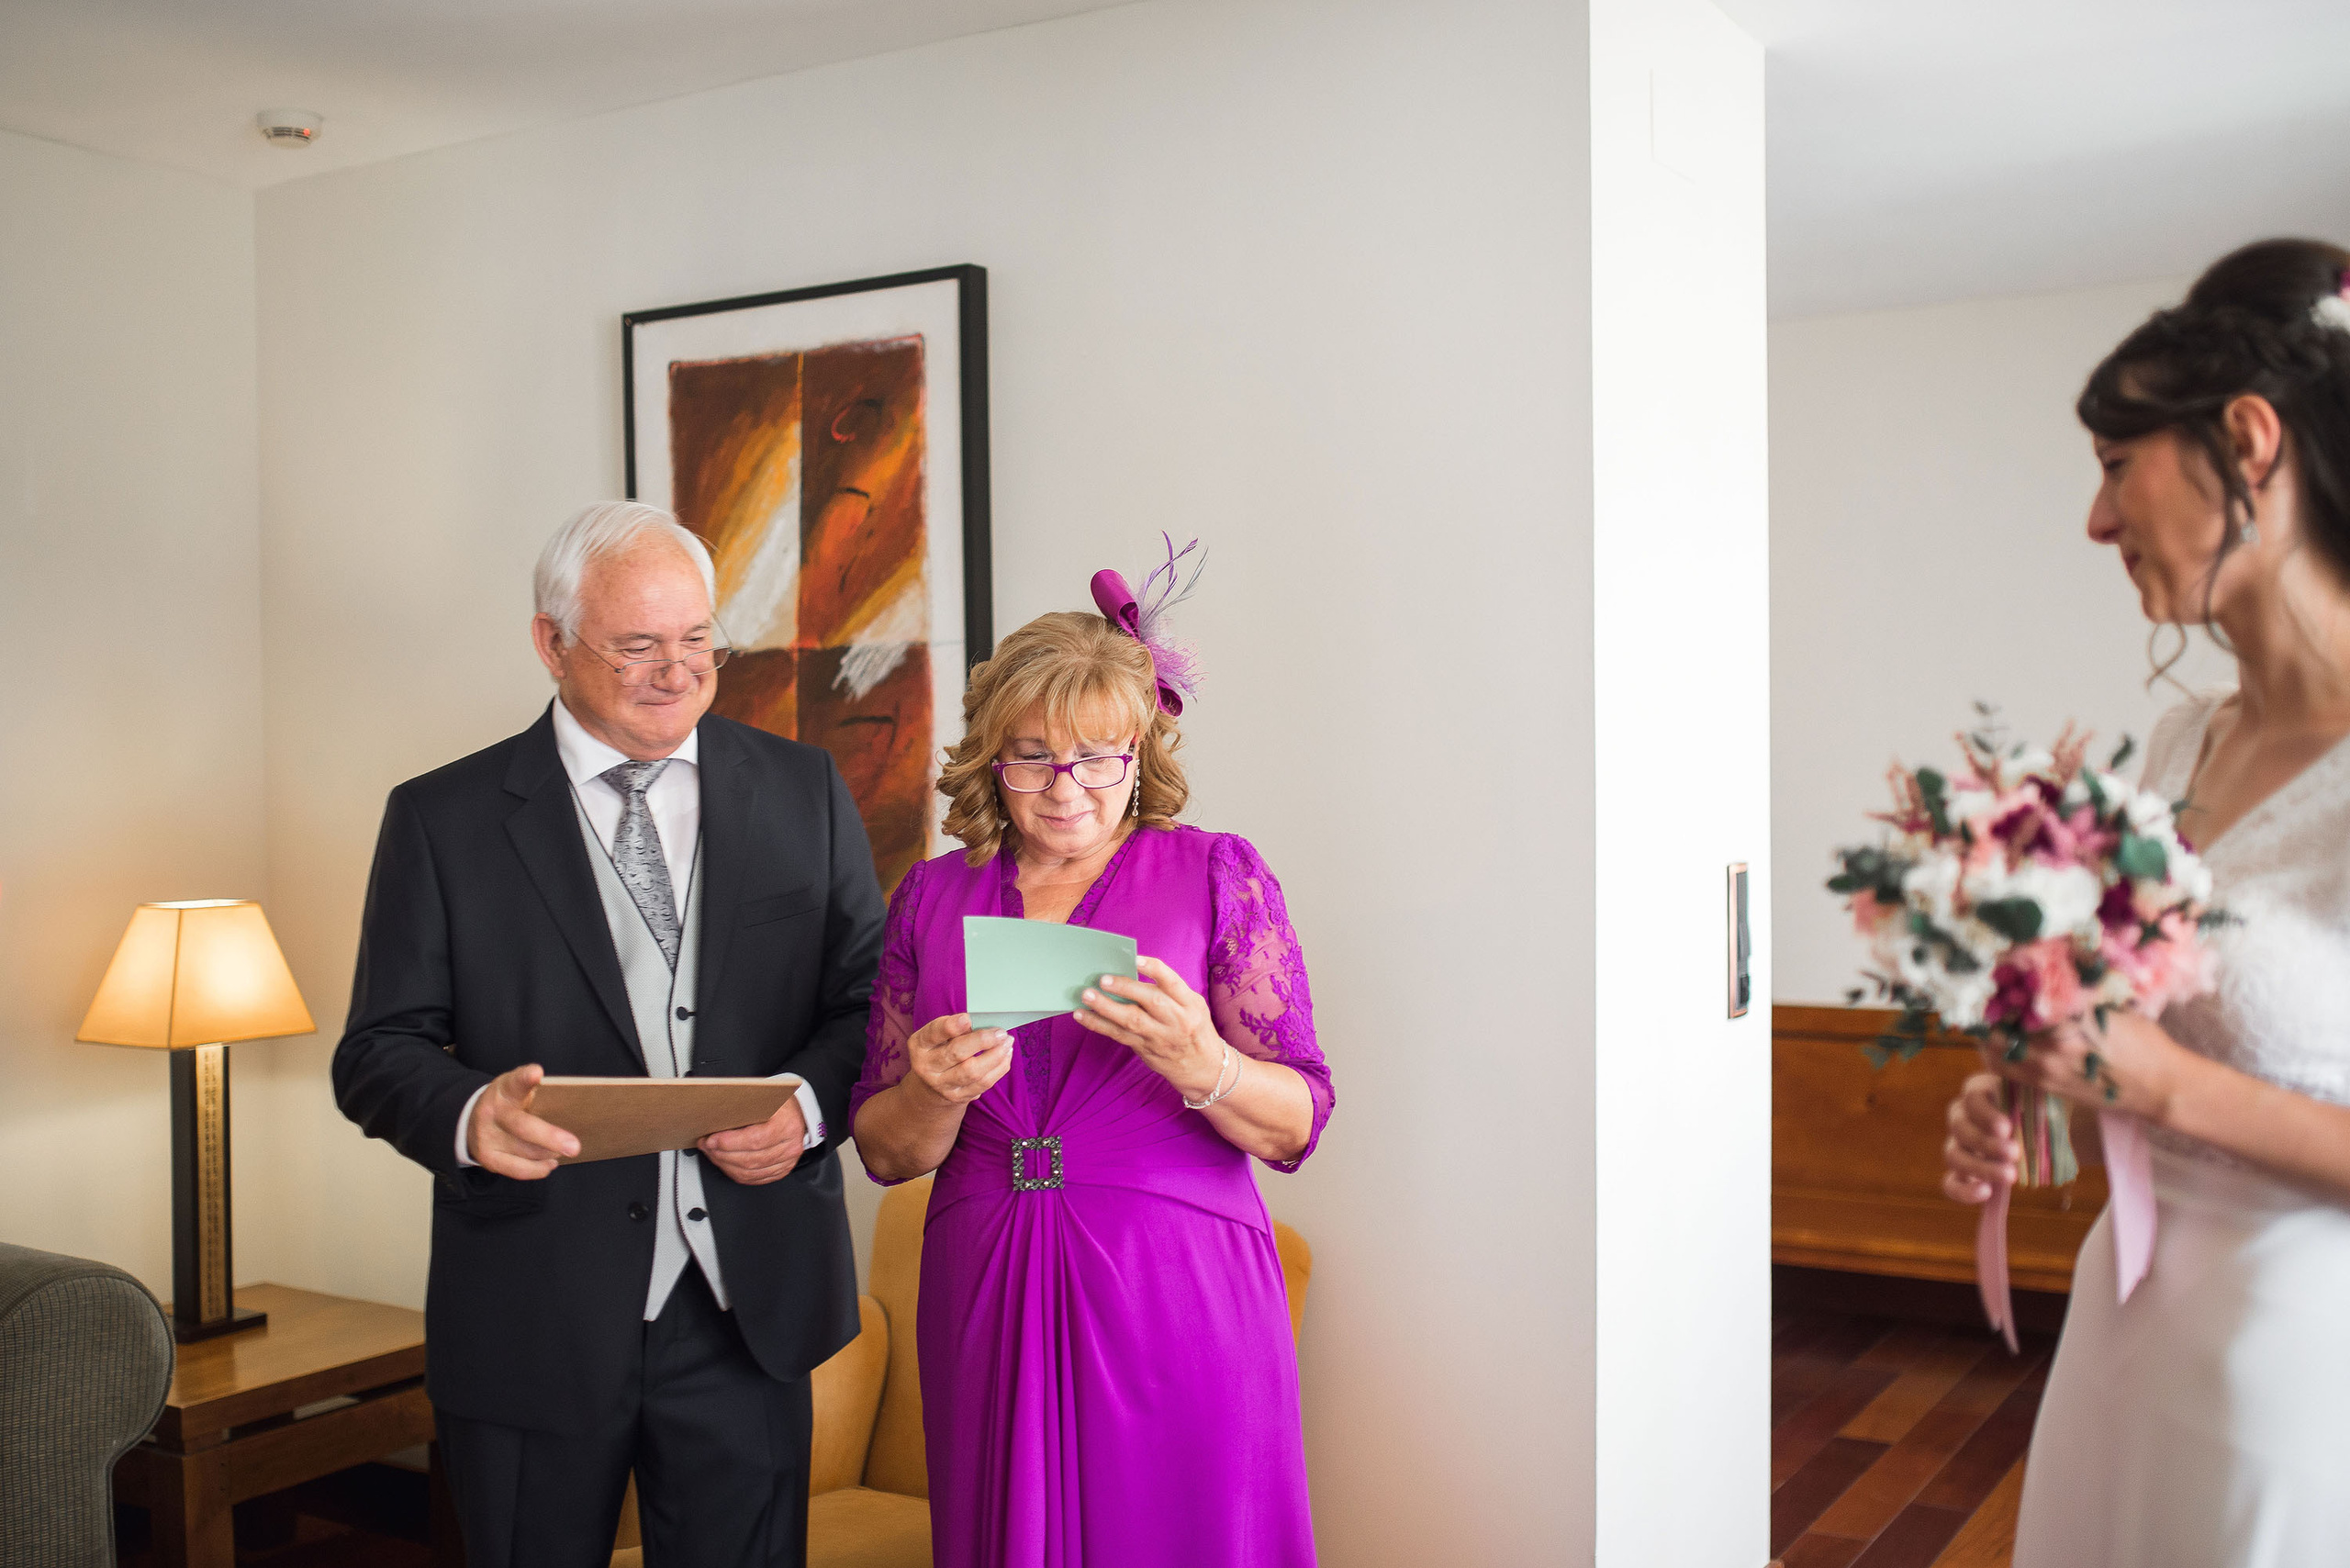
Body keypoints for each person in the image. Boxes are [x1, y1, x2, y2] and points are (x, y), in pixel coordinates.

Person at [332, 501, 886, 1568]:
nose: (675, 671)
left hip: (747, 1309)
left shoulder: (801, 789)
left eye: (696, 640)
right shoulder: (440, 820)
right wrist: (468, 1111)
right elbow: (377, 1050)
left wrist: (807, 1112)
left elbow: (867, 1003)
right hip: (532, 1311)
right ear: (551, 642)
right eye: (637, 645)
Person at [1941, 239, 2350, 1565]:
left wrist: (2165, 1086)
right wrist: (2041, 1096)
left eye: (2118, 467)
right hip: (2124, 1338)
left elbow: (2178, 1072)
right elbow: (2148, 1037)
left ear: (2248, 439)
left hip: (2298, 1381)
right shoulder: (2179, 750)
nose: (2096, 522)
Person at [849, 557, 1333, 1568]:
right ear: (990, 760)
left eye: (1097, 759)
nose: (1065, 789)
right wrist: (931, 1096)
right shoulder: (930, 899)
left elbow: (1297, 1123)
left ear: (1138, 753)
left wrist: (1205, 1063)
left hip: (1175, 1285)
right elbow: (885, 1152)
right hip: (985, 1281)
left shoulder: (1212, 873)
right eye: (1031, 758)